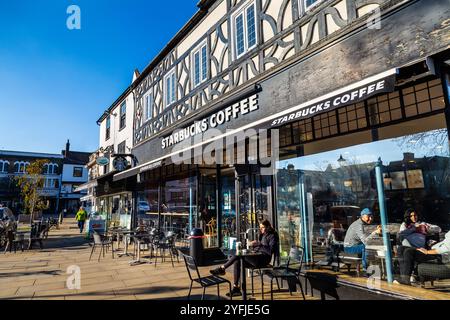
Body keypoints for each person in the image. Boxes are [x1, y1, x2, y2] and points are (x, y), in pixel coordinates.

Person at [210, 220, 279, 297]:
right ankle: (236, 288)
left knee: (239, 255)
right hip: (257, 256)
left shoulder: (273, 235)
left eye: (262, 227)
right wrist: (253, 245)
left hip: (263, 260)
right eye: (260, 228)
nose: (261, 229)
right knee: (237, 261)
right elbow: (261, 247)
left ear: (267, 227)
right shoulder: (263, 235)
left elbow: (270, 251)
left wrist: (258, 245)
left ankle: (222, 268)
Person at [343, 208, 382, 273]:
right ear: (362, 216)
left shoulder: (365, 224)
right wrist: (375, 232)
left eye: (371, 216)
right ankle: (365, 270)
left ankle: (377, 267)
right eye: (368, 216)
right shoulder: (359, 225)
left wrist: (376, 230)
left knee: (374, 246)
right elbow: (366, 241)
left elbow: (369, 237)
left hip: (357, 246)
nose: (370, 219)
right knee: (366, 247)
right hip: (349, 248)